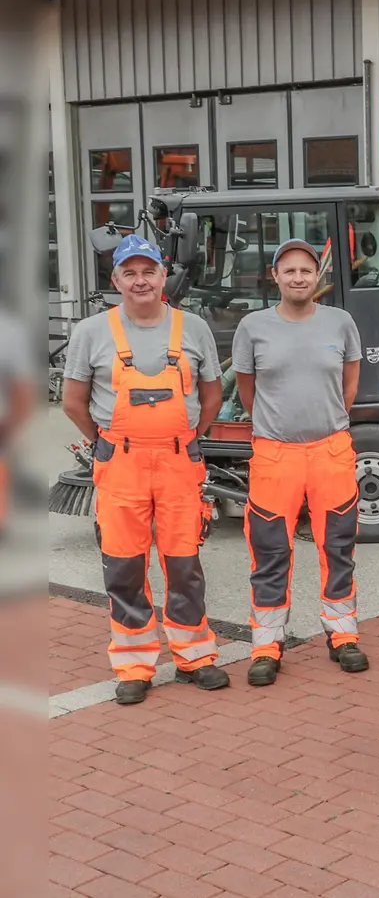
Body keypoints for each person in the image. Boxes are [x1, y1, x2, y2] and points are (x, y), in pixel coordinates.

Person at [61, 235, 227, 705]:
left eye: (148, 271)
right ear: (115, 281)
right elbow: (73, 402)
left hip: (178, 463)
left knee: (184, 563)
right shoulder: (91, 332)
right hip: (122, 465)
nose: (140, 281)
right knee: (124, 566)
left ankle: (194, 655)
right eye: (129, 273)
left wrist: (189, 436)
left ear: (163, 276)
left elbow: (212, 394)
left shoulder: (193, 328)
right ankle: (134, 664)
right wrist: (107, 443)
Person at [232, 238, 369, 686]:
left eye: (306, 271)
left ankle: (342, 633)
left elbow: (349, 383)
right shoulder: (253, 327)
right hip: (275, 454)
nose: (298, 278)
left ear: (317, 277)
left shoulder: (340, 322)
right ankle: (266, 644)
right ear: (275, 276)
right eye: (288, 270)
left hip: (331, 450)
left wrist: (326, 420)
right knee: (269, 549)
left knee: (339, 546)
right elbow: (248, 390)